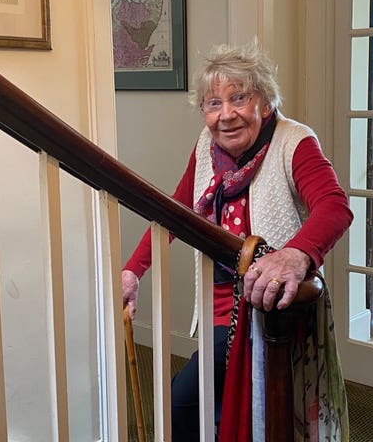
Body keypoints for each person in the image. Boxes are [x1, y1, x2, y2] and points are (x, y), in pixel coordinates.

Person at [121, 42, 352, 441]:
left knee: (254, 415)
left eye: (239, 98)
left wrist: (294, 255)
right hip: (220, 309)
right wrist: (132, 270)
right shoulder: (207, 147)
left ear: (264, 102)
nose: (225, 114)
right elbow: (178, 210)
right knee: (201, 407)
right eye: (213, 103)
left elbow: (334, 206)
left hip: (271, 307)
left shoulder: (294, 142)